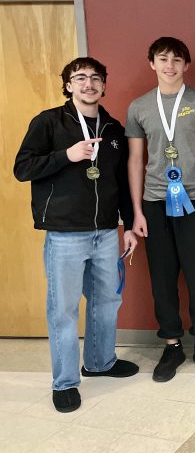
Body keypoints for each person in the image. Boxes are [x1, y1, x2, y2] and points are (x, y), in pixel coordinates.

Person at [14, 57, 139, 413]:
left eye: (95, 78)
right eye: (79, 78)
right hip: (65, 235)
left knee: (107, 302)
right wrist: (66, 155)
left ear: (104, 85)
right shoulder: (49, 122)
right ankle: (65, 382)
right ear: (68, 85)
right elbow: (22, 168)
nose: (88, 84)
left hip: (104, 232)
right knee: (64, 310)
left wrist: (128, 225)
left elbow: (119, 184)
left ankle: (100, 362)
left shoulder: (113, 128)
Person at [127, 37, 195, 382]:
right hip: (155, 204)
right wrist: (137, 211)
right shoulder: (139, 107)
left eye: (177, 60)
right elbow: (136, 159)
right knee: (162, 277)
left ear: (186, 65)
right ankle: (172, 345)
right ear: (151, 63)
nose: (170, 65)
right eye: (162, 58)